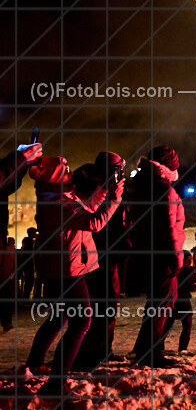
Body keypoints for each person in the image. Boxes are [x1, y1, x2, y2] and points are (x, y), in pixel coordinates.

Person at [25, 162, 124, 397]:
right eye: (65, 171)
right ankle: (55, 383)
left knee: (58, 318)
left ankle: (34, 364)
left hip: (60, 268)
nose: (71, 173)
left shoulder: (57, 197)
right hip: (66, 271)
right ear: (56, 179)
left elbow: (87, 207)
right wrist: (115, 199)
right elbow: (94, 222)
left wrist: (106, 191)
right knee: (82, 321)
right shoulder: (59, 204)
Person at [130, 146, 185, 368]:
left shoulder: (143, 185)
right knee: (162, 305)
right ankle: (151, 353)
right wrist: (176, 257)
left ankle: (145, 348)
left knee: (155, 303)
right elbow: (168, 227)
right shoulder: (164, 190)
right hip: (163, 254)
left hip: (147, 251)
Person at [75, 152, 130, 371]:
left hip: (107, 253)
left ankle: (102, 349)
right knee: (102, 305)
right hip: (95, 254)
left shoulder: (106, 185)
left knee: (107, 305)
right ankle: (92, 352)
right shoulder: (91, 187)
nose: (121, 173)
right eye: (118, 169)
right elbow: (98, 222)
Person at [162, 253, 196, 352]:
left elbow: (191, 284)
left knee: (187, 325)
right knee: (167, 326)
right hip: (176, 302)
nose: (189, 262)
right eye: (187, 260)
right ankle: (160, 347)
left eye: (190, 259)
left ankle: (183, 348)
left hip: (185, 301)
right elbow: (184, 285)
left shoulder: (191, 270)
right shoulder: (177, 272)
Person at [18, 227, 38, 300]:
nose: (36, 234)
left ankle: (25, 297)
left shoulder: (27, 241)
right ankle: (25, 298)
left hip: (27, 264)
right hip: (28, 264)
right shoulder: (28, 241)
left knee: (28, 281)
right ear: (31, 233)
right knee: (29, 281)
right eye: (35, 233)